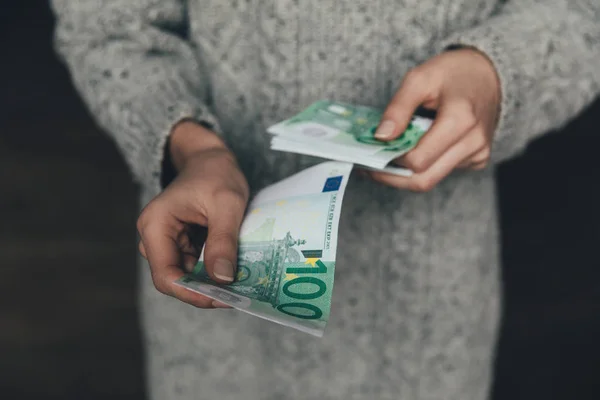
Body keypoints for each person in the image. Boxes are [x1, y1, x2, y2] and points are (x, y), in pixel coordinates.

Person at [50, 1, 600, 399]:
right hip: (219, 326)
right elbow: (108, 26)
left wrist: (499, 72)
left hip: (429, 316)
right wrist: (188, 145)